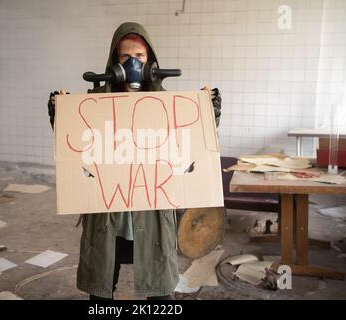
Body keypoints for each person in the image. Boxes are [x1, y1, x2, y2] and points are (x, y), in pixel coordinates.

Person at [47, 22, 221, 300]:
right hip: (107, 215)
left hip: (152, 214)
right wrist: (60, 113)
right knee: (101, 291)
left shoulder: (168, 103)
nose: (132, 63)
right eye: (124, 56)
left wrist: (210, 114)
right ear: (113, 62)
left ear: (150, 61)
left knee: (160, 291)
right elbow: (73, 148)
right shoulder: (93, 103)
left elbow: (193, 145)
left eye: (139, 56)